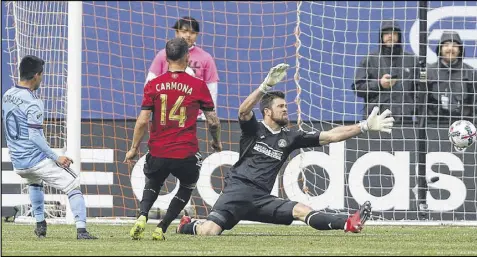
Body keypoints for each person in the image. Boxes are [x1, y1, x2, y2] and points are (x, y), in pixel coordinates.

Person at [176, 63, 394, 236]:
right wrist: (264, 87)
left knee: (301, 210)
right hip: (236, 192)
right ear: (268, 112)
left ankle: (348, 223)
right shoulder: (254, 129)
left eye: (285, 106)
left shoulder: (291, 137)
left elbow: (331, 136)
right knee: (209, 232)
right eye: (281, 107)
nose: (285, 109)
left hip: (262, 199)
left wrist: (363, 126)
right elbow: (243, 112)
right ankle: (186, 225)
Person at [124, 37, 222, 241]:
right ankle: (162, 227)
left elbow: (142, 121)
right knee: (187, 185)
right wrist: (216, 141)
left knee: (153, 180)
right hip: (185, 152)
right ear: (187, 57)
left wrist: (134, 148)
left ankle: (142, 216)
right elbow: (213, 121)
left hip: (158, 150)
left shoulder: (153, 85)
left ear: (166, 58)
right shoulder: (198, 85)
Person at [1, 55, 97, 239]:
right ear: (36, 75)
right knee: (73, 184)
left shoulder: (7, 95)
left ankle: (40, 225)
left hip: (18, 162)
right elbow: (35, 136)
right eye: (42, 75)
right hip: (35, 159)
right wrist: (56, 157)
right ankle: (81, 230)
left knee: (35, 182)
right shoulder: (33, 102)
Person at [146, 16, 219, 120]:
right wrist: (150, 110)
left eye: (193, 32)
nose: (188, 35)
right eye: (184, 31)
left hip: (195, 118)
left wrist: (208, 115)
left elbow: (212, 88)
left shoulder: (206, 58)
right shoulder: (163, 54)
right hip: (165, 116)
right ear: (176, 32)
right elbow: (149, 83)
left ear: (197, 35)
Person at [352, 20, 419, 124]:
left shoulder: (411, 60)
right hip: (375, 119)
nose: (390, 36)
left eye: (393, 33)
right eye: (386, 33)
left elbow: (419, 90)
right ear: (381, 36)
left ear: (399, 36)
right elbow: (358, 88)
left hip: (404, 120)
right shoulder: (370, 59)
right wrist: (379, 84)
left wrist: (410, 107)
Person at [426, 31, 477, 123]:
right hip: (433, 124)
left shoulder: (471, 73)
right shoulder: (429, 72)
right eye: (446, 45)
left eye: (454, 45)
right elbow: (420, 99)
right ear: (440, 49)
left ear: (460, 50)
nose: (450, 48)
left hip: (463, 124)